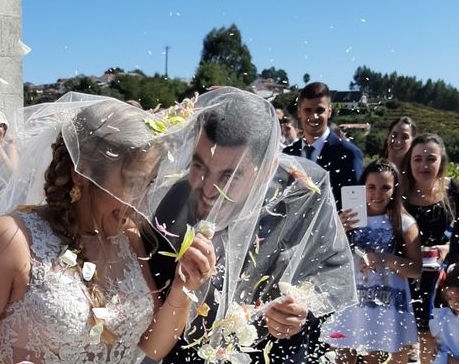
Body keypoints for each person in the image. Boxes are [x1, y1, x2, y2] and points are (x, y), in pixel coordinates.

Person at [0, 95, 216, 364]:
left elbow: (152, 346)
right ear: (82, 171)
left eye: (149, 183)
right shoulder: (11, 239)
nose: (141, 201)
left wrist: (182, 288)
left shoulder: (130, 239)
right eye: (133, 181)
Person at [149, 87, 356, 363]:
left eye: (229, 176)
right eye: (199, 166)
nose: (209, 189)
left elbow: (332, 269)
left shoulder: (298, 200)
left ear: (268, 170)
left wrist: (302, 305)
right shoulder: (170, 201)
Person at [322, 159, 422, 364]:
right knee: (344, 356)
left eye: (385, 188)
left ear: (394, 190)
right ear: (362, 188)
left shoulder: (404, 223)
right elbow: (326, 255)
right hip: (350, 299)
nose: (377, 194)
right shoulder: (348, 218)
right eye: (371, 187)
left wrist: (385, 258)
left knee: (375, 358)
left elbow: (415, 269)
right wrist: (338, 230)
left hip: (385, 302)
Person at [402, 134, 459, 364]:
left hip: (441, 280)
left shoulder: (453, 191)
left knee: (439, 343)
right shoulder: (400, 194)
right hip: (409, 276)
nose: (424, 165)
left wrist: (449, 247)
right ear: (410, 162)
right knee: (417, 340)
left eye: (431, 158)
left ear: (441, 161)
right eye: (417, 159)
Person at [283, 82, 363, 210]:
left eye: (320, 110)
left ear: (329, 112)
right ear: (299, 112)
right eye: (308, 110)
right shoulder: (288, 154)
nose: (313, 117)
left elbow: (355, 211)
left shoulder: (348, 154)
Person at [429, 260, 459, 364]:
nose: (454, 304)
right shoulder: (445, 317)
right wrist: (436, 347)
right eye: (449, 299)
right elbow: (438, 345)